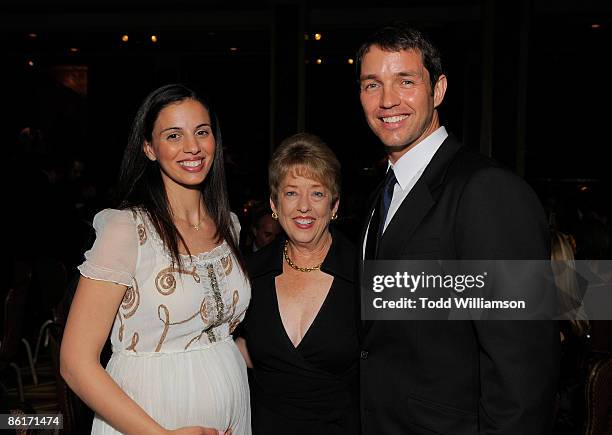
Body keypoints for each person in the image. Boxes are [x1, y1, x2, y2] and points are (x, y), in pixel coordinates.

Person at [356, 24, 559, 434]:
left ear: (439, 89)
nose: (387, 100)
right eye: (371, 84)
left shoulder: (487, 190)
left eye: (406, 81)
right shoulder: (382, 195)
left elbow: (522, 367)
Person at [60, 84, 251, 435]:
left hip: (233, 417)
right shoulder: (126, 230)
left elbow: (220, 329)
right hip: (149, 419)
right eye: (173, 135)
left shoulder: (229, 226)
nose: (192, 147)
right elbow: (75, 363)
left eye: (201, 132)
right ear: (149, 148)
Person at [236, 133, 360, 434]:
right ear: (274, 205)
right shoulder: (248, 274)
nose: (303, 207)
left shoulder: (364, 273)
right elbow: (230, 351)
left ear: (334, 206)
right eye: (291, 193)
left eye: (317, 194)